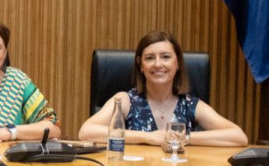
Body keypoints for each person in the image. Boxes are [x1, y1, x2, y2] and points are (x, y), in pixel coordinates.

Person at [78, 31, 248, 146]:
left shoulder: (190, 105)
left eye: (166, 57)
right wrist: (149, 138)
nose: (158, 64)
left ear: (178, 64)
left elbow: (238, 137)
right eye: (150, 58)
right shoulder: (126, 100)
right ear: (141, 65)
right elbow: (86, 132)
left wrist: (184, 138)